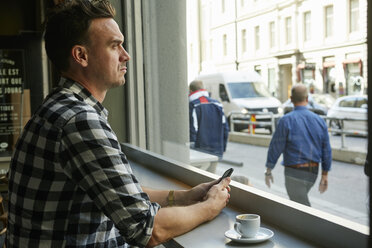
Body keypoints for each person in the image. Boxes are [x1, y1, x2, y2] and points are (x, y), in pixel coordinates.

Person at [6, 1, 230, 247]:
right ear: (81, 55)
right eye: (114, 46)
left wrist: (186, 197)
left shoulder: (56, 107)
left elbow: (120, 193)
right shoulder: (79, 121)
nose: (126, 55)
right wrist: (210, 207)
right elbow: (147, 230)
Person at [264, 84, 332, 207]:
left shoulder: (286, 120)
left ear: (291, 99)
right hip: (313, 171)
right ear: (307, 99)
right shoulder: (319, 120)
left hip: (293, 171)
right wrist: (324, 175)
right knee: (299, 202)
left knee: (301, 206)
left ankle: (311, 225)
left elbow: (276, 147)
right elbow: (326, 150)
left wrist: (269, 170)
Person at [189, 80, 229, 159]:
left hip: (200, 148)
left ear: (190, 90)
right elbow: (225, 127)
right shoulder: (218, 104)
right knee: (212, 171)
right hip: (217, 147)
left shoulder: (193, 104)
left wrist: (191, 147)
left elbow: (193, 129)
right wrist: (223, 147)